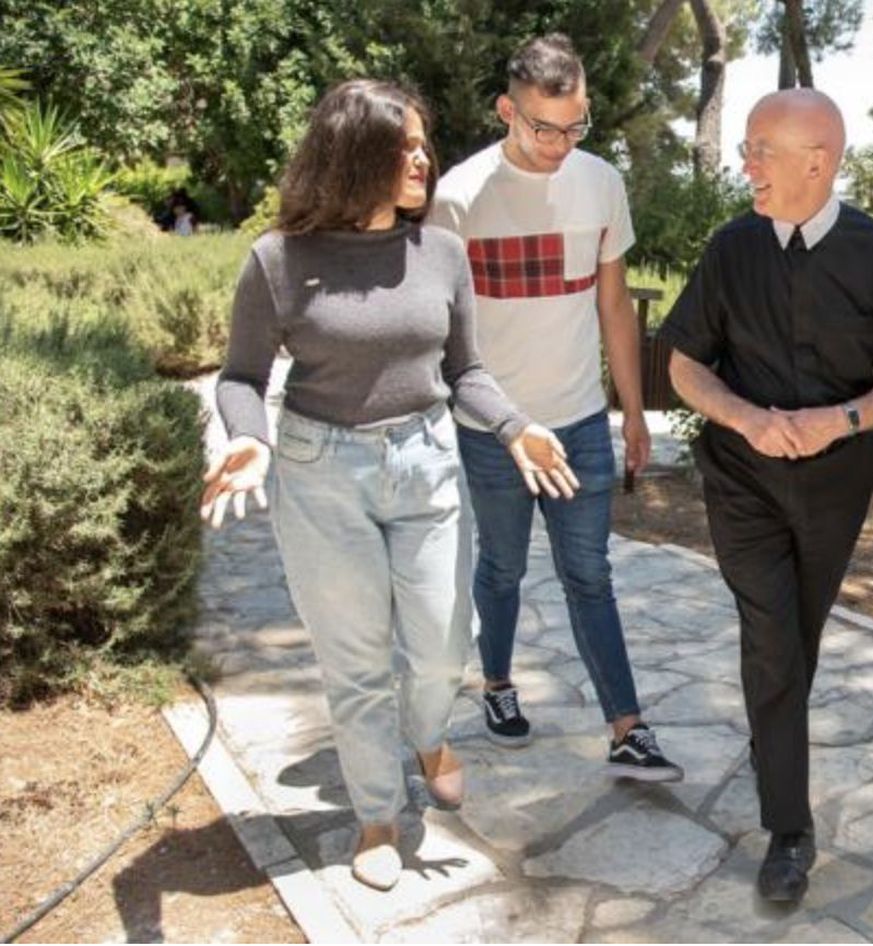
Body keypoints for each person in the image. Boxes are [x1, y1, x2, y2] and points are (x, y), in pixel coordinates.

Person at [200, 79, 578, 892]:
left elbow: (464, 369)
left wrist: (516, 425)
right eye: (403, 146)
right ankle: (377, 816)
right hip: (319, 471)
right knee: (357, 660)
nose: (422, 159)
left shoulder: (439, 250)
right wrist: (249, 440)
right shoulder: (278, 259)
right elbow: (240, 376)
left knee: (445, 643)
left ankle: (429, 734)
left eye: (422, 145)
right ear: (353, 154)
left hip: (428, 462)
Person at [659, 89, 873, 903]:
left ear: (815, 162)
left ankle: (771, 735)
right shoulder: (729, 249)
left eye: (758, 149)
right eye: (746, 148)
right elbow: (683, 364)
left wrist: (841, 419)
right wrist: (748, 419)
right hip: (741, 478)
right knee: (772, 637)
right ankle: (790, 829)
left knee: (799, 635)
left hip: (835, 485)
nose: (742, 164)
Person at [427, 34, 682, 781]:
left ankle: (626, 728)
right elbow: (444, 327)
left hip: (576, 421)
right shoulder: (457, 198)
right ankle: (498, 687)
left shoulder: (601, 183)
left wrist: (631, 411)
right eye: (545, 127)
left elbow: (612, 306)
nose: (562, 144)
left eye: (577, 126)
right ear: (508, 109)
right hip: (495, 430)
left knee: (589, 573)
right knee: (501, 569)